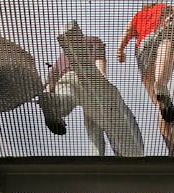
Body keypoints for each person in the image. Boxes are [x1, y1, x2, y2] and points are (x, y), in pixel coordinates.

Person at [39, 21, 144, 158]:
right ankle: (97, 155)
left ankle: (54, 102)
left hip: (66, 80)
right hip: (89, 81)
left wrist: (47, 94)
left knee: (66, 99)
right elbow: (99, 64)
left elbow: (49, 82)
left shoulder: (61, 57)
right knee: (102, 124)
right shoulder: (94, 41)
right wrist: (101, 84)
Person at [117, 4, 174, 157]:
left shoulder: (138, 15)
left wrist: (120, 50)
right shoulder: (164, 7)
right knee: (167, 47)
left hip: (143, 49)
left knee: (158, 106)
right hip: (165, 35)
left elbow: (128, 31)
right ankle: (161, 86)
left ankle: (172, 149)